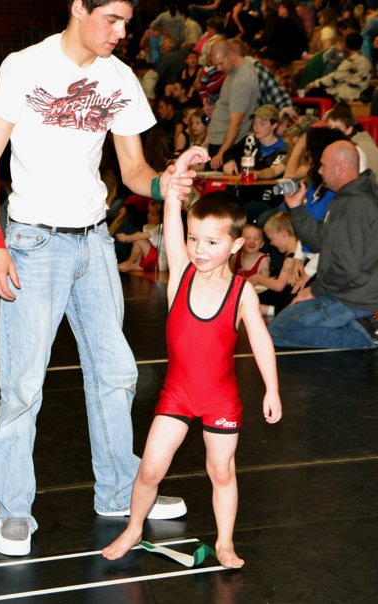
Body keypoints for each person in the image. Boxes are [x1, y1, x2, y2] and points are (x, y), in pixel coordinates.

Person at [0, 0, 191, 558]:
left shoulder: (120, 79)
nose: (122, 32)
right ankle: (13, 510)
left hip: (94, 242)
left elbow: (134, 170)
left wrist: (165, 184)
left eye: (127, 22)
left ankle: (119, 491)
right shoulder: (25, 66)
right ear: (78, 9)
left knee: (116, 374)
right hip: (33, 243)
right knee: (22, 387)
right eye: (112, 19)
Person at [102, 146, 282, 568]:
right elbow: (171, 215)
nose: (199, 249)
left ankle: (225, 543)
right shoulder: (181, 274)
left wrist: (272, 390)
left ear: (236, 245)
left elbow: (260, 341)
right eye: (193, 239)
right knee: (150, 469)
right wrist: (180, 171)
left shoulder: (241, 292)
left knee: (222, 471)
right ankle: (133, 528)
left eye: (211, 242)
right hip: (178, 396)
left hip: (221, 400)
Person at [269, 140, 378, 349]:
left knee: (280, 330)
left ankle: (365, 337)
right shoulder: (345, 197)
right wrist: (297, 208)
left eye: (323, 165)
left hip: (355, 298)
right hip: (350, 291)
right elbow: (320, 241)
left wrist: (315, 291)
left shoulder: (356, 205)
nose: (319, 171)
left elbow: (346, 268)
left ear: (341, 167)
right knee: (283, 324)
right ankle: (361, 327)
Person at [207, 38, 259, 169]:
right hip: (219, 139)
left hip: (224, 144)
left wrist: (222, 153)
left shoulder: (242, 78)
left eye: (221, 63)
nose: (219, 68)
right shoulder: (233, 70)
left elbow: (237, 121)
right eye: (216, 65)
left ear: (232, 55)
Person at [250, 212, 297, 317]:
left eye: (271, 239)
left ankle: (271, 311)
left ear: (283, 234)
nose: (271, 243)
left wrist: (258, 278)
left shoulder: (291, 258)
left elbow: (279, 285)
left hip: (286, 305)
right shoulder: (293, 255)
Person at [117, 200, 163, 271]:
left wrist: (126, 238)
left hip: (158, 262)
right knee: (138, 238)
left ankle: (130, 262)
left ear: (161, 217)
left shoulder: (161, 227)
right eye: (149, 212)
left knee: (139, 239)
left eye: (153, 214)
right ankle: (136, 264)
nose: (149, 216)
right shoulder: (150, 226)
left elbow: (141, 236)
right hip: (152, 259)